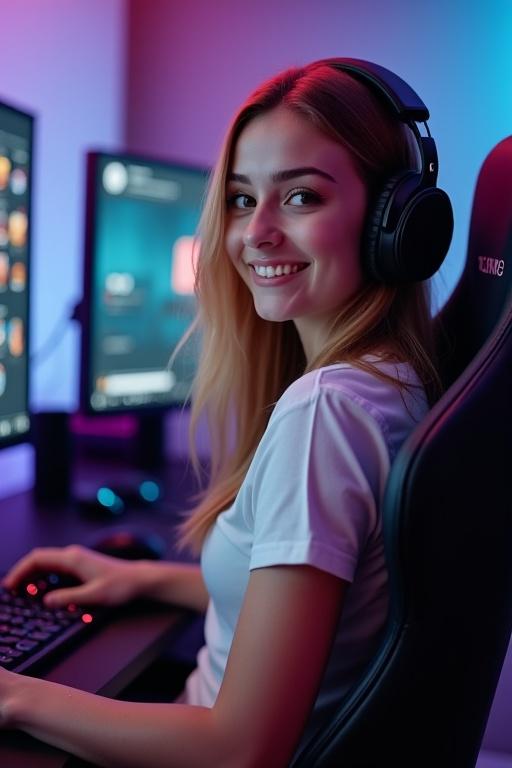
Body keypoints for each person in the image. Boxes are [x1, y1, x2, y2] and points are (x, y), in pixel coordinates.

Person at [0, 58, 447, 767]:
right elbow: (305, 603)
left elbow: (242, 748)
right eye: (242, 199)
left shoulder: (327, 413)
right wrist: (145, 579)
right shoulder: (385, 383)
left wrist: (13, 694)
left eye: (301, 197)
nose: (257, 232)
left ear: (394, 221)